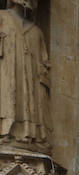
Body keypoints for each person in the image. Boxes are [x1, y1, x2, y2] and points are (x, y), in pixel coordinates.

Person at [0, 0, 51, 150]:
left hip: (31, 88)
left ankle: (29, 134)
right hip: (6, 78)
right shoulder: (2, 18)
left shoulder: (36, 32)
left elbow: (44, 65)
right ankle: (5, 131)